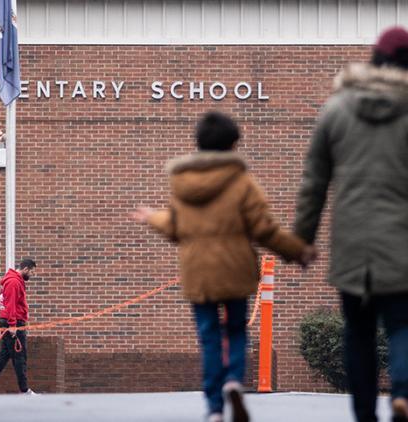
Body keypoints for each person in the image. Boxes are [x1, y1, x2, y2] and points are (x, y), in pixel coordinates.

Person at [293, 27, 408, 422]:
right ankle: (401, 394)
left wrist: (303, 238)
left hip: (353, 241)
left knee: (358, 332)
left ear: (373, 60)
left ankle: (364, 414)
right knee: (402, 324)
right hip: (405, 239)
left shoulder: (338, 108)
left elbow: (315, 178)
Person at [133, 111, 315, 422]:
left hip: (198, 272)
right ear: (233, 145)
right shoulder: (242, 182)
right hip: (235, 269)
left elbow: (177, 226)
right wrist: (297, 251)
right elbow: (264, 229)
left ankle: (215, 408)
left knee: (208, 337)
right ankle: (233, 380)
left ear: (198, 143)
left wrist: (153, 217)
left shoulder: (182, 182)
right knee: (235, 330)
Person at [0, 258, 37, 396]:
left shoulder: (13, 280)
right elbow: (11, 305)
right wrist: (13, 325)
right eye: (32, 272)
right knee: (20, 357)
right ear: (26, 269)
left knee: (4, 356)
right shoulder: (14, 282)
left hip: (11, 323)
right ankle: (24, 390)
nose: (32, 275)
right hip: (13, 324)